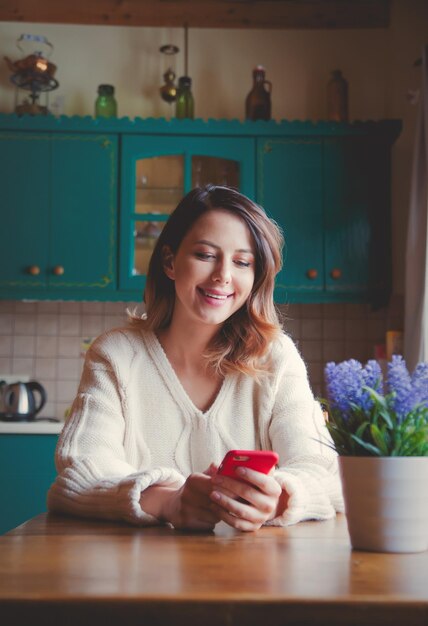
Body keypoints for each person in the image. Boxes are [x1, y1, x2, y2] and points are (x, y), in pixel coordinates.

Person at [48, 185, 343, 532]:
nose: (223, 275)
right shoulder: (115, 354)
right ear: (170, 262)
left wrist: (277, 499)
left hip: (254, 579)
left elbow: (328, 474)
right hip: (139, 578)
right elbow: (77, 473)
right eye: (205, 255)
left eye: (242, 262)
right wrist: (167, 501)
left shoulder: (275, 357)